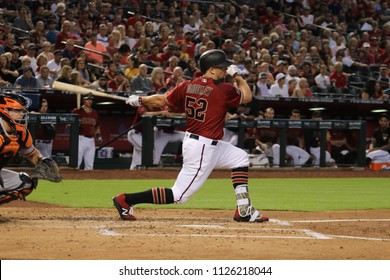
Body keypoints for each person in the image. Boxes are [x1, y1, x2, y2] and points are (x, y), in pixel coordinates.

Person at [113, 49, 269, 223]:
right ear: (210, 69)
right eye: (222, 67)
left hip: (206, 143)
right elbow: (247, 96)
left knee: (240, 158)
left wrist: (141, 100)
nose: (225, 70)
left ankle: (244, 210)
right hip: (202, 147)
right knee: (179, 195)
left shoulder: (186, 86)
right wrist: (238, 76)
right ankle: (126, 200)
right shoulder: (224, 89)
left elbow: (161, 100)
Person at [0, 92, 51, 205]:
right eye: (17, 110)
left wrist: (42, 161)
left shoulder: (21, 134)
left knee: (25, 182)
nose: (21, 114)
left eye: (22, 111)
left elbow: (31, 154)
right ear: (4, 110)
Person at [72, 94, 102, 170]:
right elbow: (70, 126)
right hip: (80, 139)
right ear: (83, 100)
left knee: (89, 165)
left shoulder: (95, 113)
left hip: (91, 140)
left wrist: (98, 136)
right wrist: (76, 123)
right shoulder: (77, 111)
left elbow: (97, 127)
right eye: (87, 99)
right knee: (76, 164)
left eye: (91, 99)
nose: (89, 101)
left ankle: (88, 181)